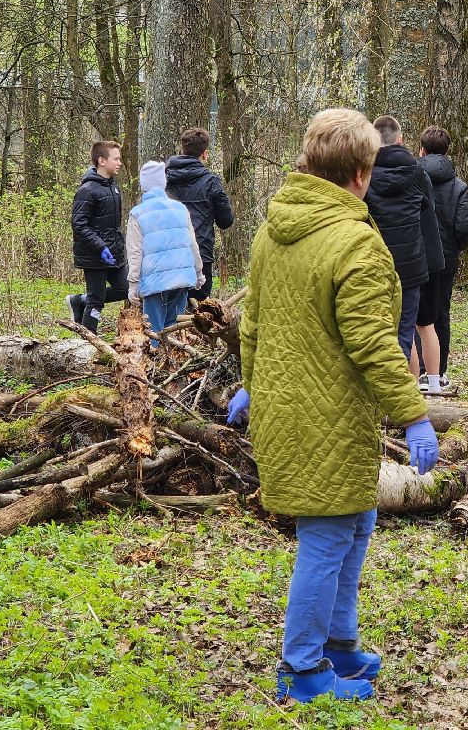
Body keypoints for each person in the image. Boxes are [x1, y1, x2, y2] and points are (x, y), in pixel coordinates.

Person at [227, 108, 439, 705]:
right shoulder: (356, 242)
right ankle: (301, 669)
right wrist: (414, 415)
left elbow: (253, 326)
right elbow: (374, 342)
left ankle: (341, 642)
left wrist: (252, 386)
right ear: (361, 172)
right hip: (329, 415)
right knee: (326, 536)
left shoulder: (274, 228)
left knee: (356, 519)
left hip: (285, 409)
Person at [364, 117, 444, 387]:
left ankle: (396, 392)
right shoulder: (417, 172)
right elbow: (427, 209)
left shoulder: (364, 174)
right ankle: (405, 396)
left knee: (379, 330)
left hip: (375, 262)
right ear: (400, 139)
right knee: (405, 330)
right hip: (411, 264)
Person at [415, 125, 468, 394]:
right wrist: (459, 247)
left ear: (422, 149)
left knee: (413, 313)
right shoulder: (458, 185)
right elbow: (463, 226)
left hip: (414, 254)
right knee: (441, 313)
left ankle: (417, 371)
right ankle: (439, 372)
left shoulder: (411, 178)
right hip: (445, 257)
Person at [125, 161, 206, 344]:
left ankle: (156, 365)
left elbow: (135, 253)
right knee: (173, 328)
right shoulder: (179, 208)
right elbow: (192, 244)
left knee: (154, 330)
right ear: (163, 183)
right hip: (181, 277)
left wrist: (133, 285)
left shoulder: (137, 213)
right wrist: (198, 272)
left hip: (154, 282)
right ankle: (170, 364)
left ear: (144, 186)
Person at [165, 127, 235, 302]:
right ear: (205, 154)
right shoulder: (211, 182)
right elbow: (226, 221)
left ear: (181, 151)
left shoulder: (163, 179)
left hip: (165, 255)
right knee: (198, 313)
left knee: (168, 310)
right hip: (200, 255)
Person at [67, 140, 128, 334]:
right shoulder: (87, 190)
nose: (119, 163)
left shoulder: (114, 187)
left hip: (114, 254)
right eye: (116, 159)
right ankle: (88, 339)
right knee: (97, 300)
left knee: (125, 289)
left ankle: (79, 301)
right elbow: (79, 224)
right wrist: (100, 247)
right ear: (102, 160)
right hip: (94, 256)